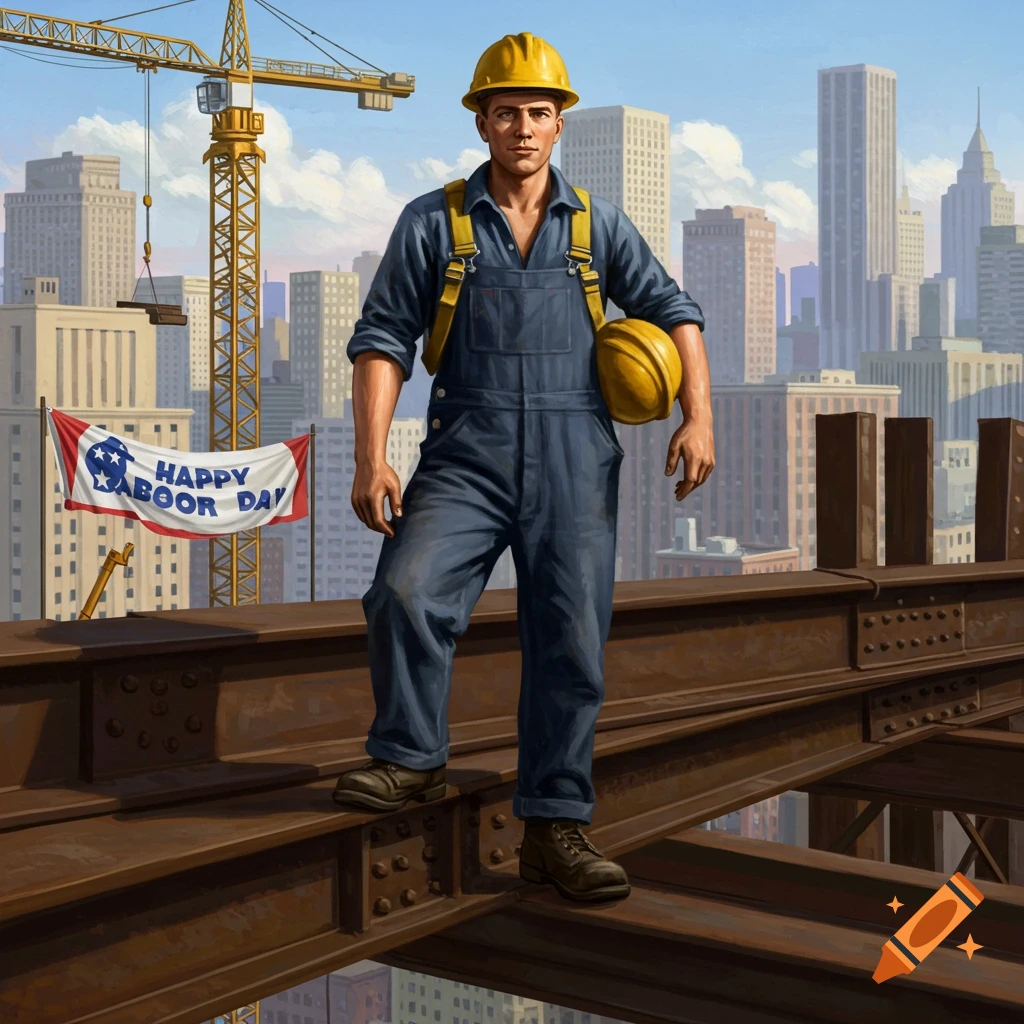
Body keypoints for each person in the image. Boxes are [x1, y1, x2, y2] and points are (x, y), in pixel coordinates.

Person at [332, 32, 715, 904]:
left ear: (559, 123)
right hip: (466, 449)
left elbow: (672, 308)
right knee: (405, 591)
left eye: (539, 113)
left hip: (576, 456)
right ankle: (410, 760)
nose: (524, 128)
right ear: (482, 121)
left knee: (570, 641)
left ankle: (556, 825)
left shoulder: (597, 225)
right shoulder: (435, 222)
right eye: (507, 112)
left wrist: (699, 414)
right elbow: (383, 337)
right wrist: (370, 454)